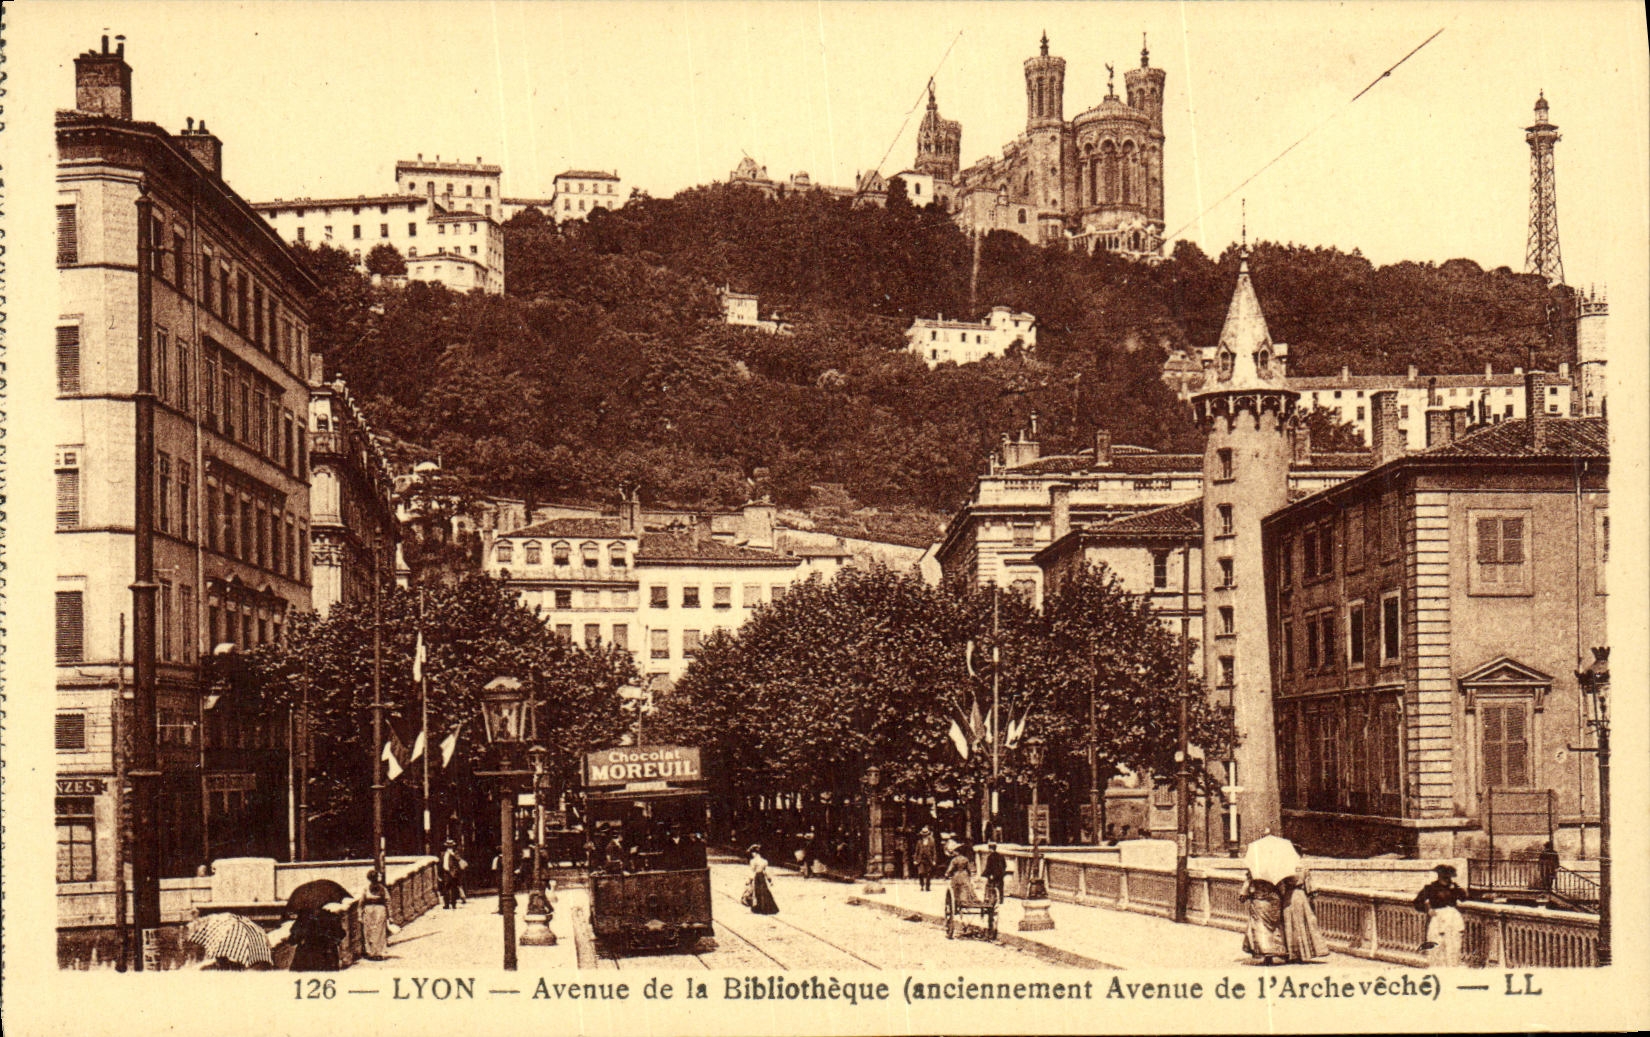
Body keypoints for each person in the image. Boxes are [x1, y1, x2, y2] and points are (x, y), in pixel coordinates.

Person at [1413, 864, 1467, 966]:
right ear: (1439, 876)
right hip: (1437, 920)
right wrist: (1427, 910)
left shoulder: (1453, 887)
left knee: (1454, 946)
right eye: (1444, 877)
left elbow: (1463, 898)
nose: (1447, 879)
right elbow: (1417, 902)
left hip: (1452, 920)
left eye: (1448, 877)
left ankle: (1452, 967)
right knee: (1437, 946)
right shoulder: (1431, 888)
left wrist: (1456, 887)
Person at [1279, 869, 1328, 963]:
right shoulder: (1304, 868)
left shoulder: (1285, 868)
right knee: (1302, 924)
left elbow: (1280, 888)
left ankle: (1291, 953)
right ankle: (1304, 952)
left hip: (1288, 897)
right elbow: (1311, 888)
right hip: (1301, 896)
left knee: (1290, 925)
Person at [1239, 874, 1287, 965]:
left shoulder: (1255, 873)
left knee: (1260, 927)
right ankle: (1275, 951)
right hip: (1274, 903)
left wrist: (1244, 896)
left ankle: (1265, 952)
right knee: (1274, 927)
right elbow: (1282, 890)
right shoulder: (1275, 873)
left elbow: (1247, 889)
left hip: (1259, 902)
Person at [288, 907, 344, 971]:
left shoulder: (330, 917)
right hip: (309, 960)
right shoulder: (303, 919)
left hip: (324, 959)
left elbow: (340, 934)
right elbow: (292, 940)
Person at [361, 869, 390, 961]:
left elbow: (388, 901)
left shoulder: (382, 889)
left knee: (379, 931)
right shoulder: (366, 889)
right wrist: (359, 915)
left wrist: (390, 914)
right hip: (369, 911)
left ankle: (378, 952)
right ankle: (371, 952)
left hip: (380, 910)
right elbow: (361, 903)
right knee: (369, 931)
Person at [745, 845, 779, 915]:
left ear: (755, 853)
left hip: (757, 877)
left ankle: (759, 908)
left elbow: (752, 871)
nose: (752, 854)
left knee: (757, 892)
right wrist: (770, 880)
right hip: (762, 877)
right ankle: (767, 908)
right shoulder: (764, 861)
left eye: (753, 853)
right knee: (764, 891)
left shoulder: (753, 861)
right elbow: (766, 872)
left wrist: (749, 880)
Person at [439, 840, 467, 909]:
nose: (449, 847)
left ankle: (454, 904)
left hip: (453, 873)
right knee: (445, 889)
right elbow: (441, 863)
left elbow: (458, 859)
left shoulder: (455, 853)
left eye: (451, 846)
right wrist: (440, 874)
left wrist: (453, 854)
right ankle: (446, 904)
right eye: (448, 846)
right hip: (446, 873)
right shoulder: (443, 854)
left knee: (454, 889)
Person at [913, 827, 938, 892]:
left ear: (928, 834)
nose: (925, 835)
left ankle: (927, 886)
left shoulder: (932, 841)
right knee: (920, 873)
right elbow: (916, 852)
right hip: (921, 860)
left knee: (928, 874)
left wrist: (934, 860)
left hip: (929, 860)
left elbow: (934, 851)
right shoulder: (919, 842)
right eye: (923, 834)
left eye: (926, 834)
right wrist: (915, 860)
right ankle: (922, 885)